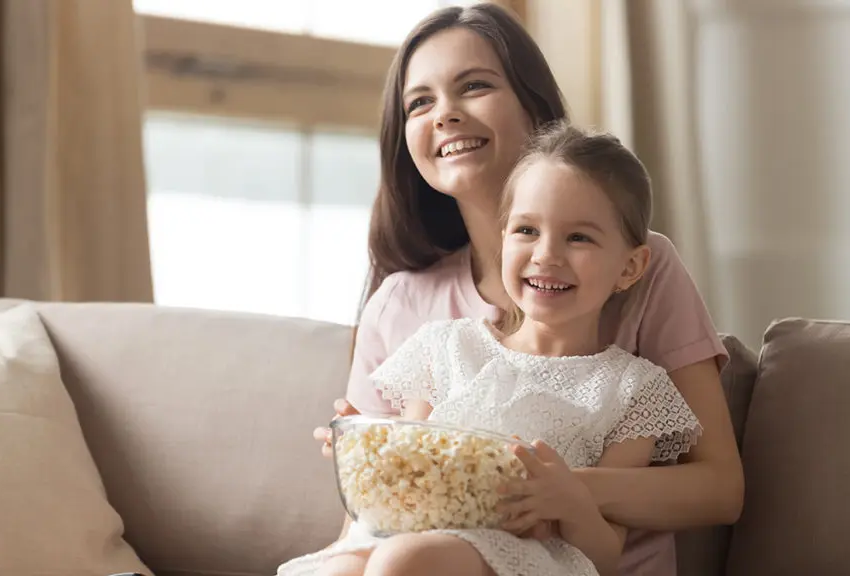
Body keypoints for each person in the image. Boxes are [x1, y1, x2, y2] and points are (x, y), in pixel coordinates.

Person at [313, 3, 744, 574]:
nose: (444, 114)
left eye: (473, 86)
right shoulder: (405, 308)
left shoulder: (644, 272)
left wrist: (550, 488)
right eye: (420, 102)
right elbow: (364, 530)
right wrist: (366, 456)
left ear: (535, 107)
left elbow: (718, 488)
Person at [282, 121, 704, 576]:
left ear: (630, 266)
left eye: (578, 237)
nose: (546, 254)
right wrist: (369, 451)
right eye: (526, 230)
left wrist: (572, 500)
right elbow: (409, 485)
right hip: (419, 539)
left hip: (531, 561)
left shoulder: (632, 389)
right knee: (342, 567)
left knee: (405, 560)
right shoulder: (444, 348)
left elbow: (603, 554)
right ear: (502, 239)